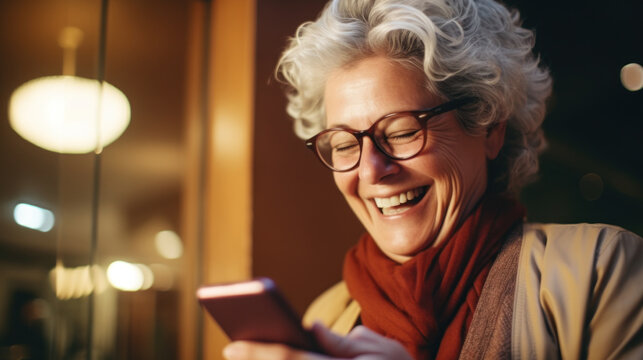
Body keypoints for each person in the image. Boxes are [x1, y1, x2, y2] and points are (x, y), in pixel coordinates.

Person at [223, 0, 643, 359]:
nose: (371, 172)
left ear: (489, 126)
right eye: (345, 144)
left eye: (403, 131)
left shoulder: (602, 270)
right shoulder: (325, 316)